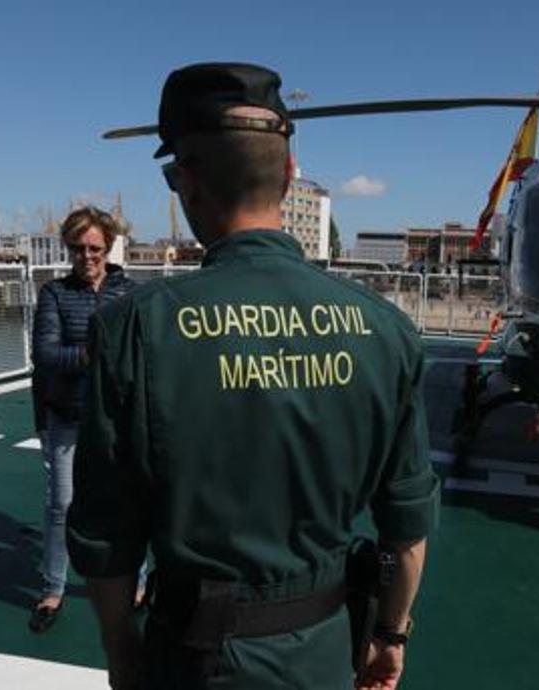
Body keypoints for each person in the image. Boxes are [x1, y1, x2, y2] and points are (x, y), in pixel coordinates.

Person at [66, 63, 439, 690]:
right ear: (290, 175)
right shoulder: (386, 329)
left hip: (191, 660)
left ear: (185, 182)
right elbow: (406, 527)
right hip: (322, 653)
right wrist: (390, 635)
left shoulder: (134, 328)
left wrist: (122, 653)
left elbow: (106, 533)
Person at [29, 206, 134, 632]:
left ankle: (138, 582)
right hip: (68, 416)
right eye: (77, 247)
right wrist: (94, 354)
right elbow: (46, 355)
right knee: (62, 506)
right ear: (67, 248)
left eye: (94, 247)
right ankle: (53, 588)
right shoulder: (54, 293)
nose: (86, 255)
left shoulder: (128, 292)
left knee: (126, 506)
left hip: (117, 419)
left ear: (108, 246)